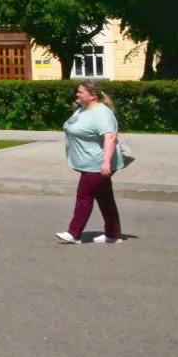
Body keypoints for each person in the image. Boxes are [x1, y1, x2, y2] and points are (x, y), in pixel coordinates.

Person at [57, 81, 124, 244]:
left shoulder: (102, 113)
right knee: (105, 198)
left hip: (97, 163)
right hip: (88, 162)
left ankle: (74, 233)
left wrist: (106, 163)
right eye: (77, 91)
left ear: (92, 95)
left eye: (81, 92)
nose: (77, 94)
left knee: (84, 195)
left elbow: (110, 137)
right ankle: (113, 234)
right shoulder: (83, 110)